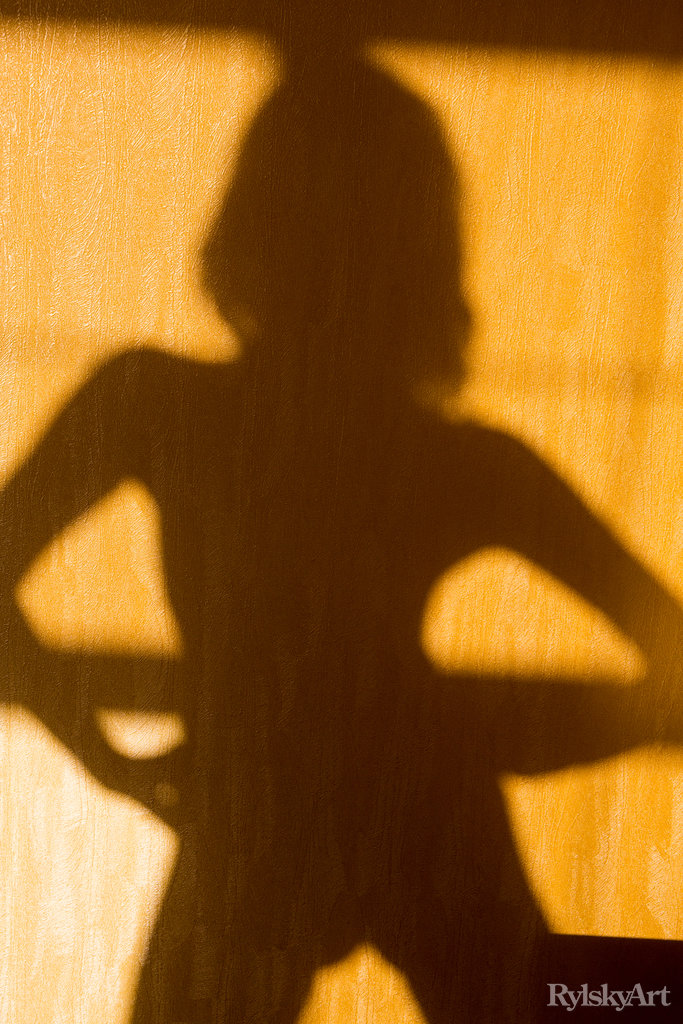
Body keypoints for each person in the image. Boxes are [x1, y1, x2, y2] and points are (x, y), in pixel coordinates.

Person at [2, 56, 681, 1024]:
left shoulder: (158, 405)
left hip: (251, 805)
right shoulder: (460, 464)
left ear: (253, 220)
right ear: (424, 251)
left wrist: (109, 757)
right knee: (589, 997)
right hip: (416, 804)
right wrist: (497, 737)